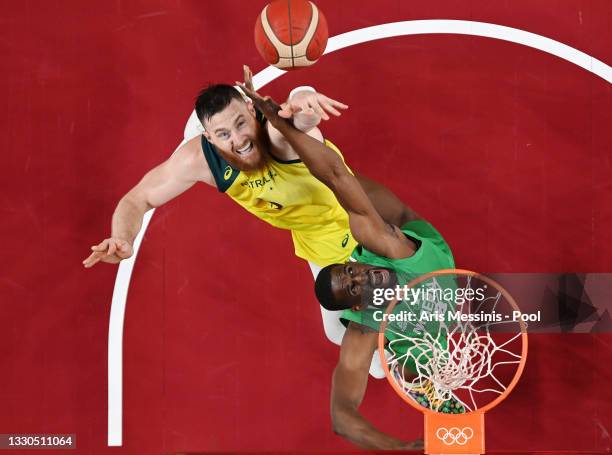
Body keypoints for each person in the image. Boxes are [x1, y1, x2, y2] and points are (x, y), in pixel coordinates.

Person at [82, 66, 401, 377]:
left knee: (403, 307)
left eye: (241, 123)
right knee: (338, 332)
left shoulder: (278, 134)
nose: (239, 139)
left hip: (362, 224)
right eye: (223, 134)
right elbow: (138, 199)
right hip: (319, 243)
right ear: (209, 138)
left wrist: (305, 98)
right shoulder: (201, 160)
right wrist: (121, 237)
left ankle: (405, 352)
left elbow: (302, 121)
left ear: (252, 109)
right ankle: (388, 360)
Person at [236, 82, 458, 450]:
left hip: (394, 229)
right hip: (379, 297)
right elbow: (342, 417)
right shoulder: (364, 321)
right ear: (359, 306)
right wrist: (392, 445)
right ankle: (397, 367)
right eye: (354, 284)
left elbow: (336, 175)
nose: (359, 274)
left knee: (346, 188)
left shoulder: (385, 244)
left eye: (351, 269)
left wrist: (277, 117)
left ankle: (286, 138)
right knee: (354, 348)